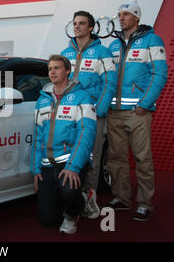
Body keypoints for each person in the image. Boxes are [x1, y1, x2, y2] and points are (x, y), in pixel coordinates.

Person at [106, 0, 168, 221]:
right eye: (119, 14)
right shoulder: (113, 45)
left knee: (143, 158)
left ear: (136, 17)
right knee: (115, 158)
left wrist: (144, 104)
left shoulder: (152, 40)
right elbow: (107, 78)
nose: (120, 18)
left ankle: (144, 203)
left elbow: (160, 74)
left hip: (138, 112)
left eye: (125, 14)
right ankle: (121, 198)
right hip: (114, 111)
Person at [31, 55, 97, 234]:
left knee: (68, 190)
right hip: (47, 164)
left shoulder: (83, 97)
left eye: (57, 68)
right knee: (48, 220)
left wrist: (73, 167)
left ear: (67, 71)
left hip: (69, 161)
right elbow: (38, 137)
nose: (52, 71)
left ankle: (74, 211)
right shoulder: (42, 99)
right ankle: (77, 198)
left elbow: (86, 134)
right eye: (50, 68)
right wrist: (36, 169)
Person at [61, 11, 117, 219]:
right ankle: (72, 200)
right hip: (69, 115)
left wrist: (98, 110)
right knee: (71, 155)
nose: (77, 27)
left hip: (92, 115)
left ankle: (89, 199)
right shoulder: (65, 53)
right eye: (75, 23)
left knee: (92, 159)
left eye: (81, 23)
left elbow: (110, 83)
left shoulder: (102, 52)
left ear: (91, 27)